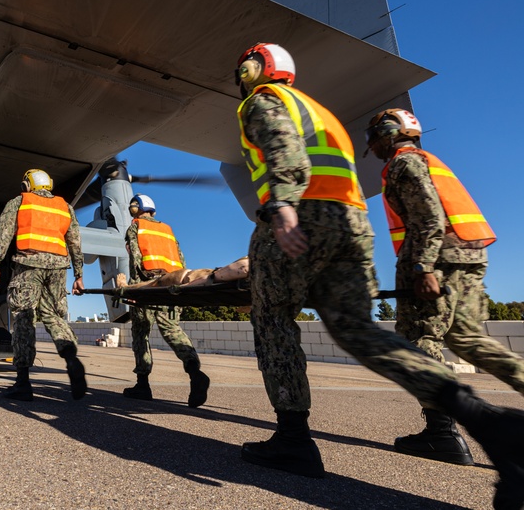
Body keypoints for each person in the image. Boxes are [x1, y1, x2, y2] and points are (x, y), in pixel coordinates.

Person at [234, 42, 523, 506]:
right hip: (352, 225)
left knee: (273, 319)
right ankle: (488, 421)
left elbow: (284, 149)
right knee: (357, 330)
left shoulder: (264, 100)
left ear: (254, 69)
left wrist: (284, 204)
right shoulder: (320, 111)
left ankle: (293, 440)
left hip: (300, 218)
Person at [366, 108, 524, 465]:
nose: (372, 146)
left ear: (390, 133)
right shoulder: (428, 160)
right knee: (467, 338)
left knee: (421, 338)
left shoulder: (404, 164)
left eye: (374, 138)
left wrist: (423, 266)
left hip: (435, 260)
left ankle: (442, 433)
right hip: (468, 253)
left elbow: (428, 217)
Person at [0, 169, 87, 401]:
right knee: (53, 315)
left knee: (24, 317)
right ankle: (71, 358)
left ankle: (22, 383)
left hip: (28, 263)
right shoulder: (65, 207)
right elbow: (75, 242)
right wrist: (79, 274)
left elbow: (4, 233)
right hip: (58, 268)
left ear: (27, 184)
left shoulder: (20, 201)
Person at [122, 193, 210, 407]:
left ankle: (142, 385)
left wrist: (133, 290)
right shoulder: (168, 230)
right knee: (172, 330)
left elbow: (135, 259)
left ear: (136, 208)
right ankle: (195, 372)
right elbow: (182, 260)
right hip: (172, 285)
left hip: (149, 287)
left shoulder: (136, 227)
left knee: (140, 333)